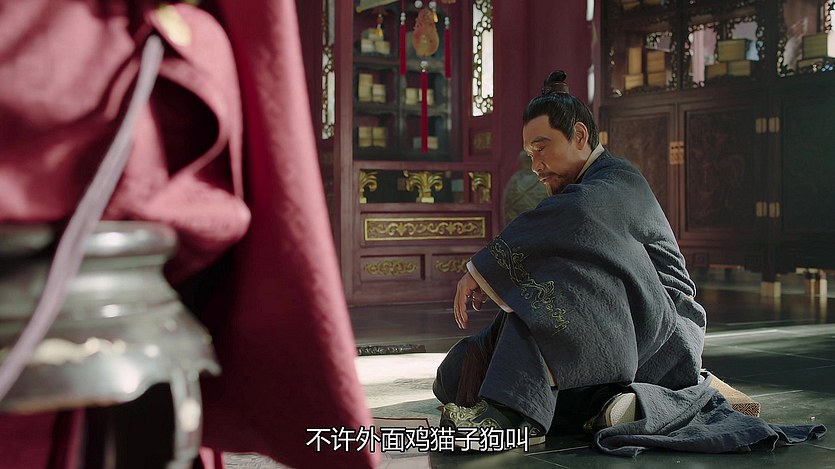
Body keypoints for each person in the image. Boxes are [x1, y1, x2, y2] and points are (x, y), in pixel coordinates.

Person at [433, 70, 825, 454]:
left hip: (664, 333)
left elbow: (579, 215)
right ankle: (608, 403)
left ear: (580, 136)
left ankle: (515, 415)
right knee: (457, 375)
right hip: (613, 328)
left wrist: (479, 268)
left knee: (561, 277)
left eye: (542, 148)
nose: (536, 165)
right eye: (530, 155)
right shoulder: (579, 189)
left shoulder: (617, 182)